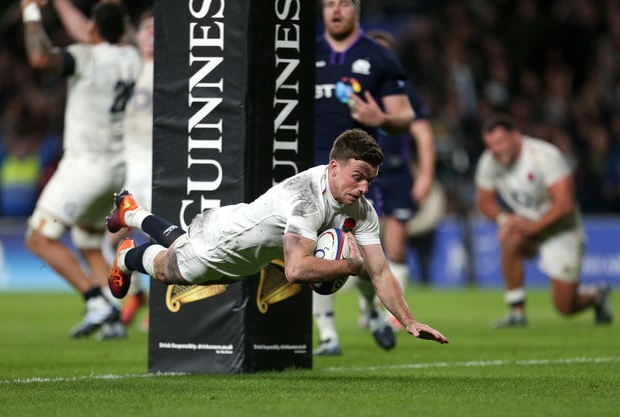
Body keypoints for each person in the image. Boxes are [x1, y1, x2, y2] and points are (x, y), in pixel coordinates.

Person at [107, 129, 450, 347]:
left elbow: (380, 271)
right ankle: (126, 256)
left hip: (244, 252)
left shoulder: (360, 208)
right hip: (225, 240)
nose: (363, 189)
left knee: (183, 246)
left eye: (369, 181)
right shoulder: (306, 200)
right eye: (357, 177)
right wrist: (347, 265)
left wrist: (408, 320)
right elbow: (296, 271)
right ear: (334, 167)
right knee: (172, 270)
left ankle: (131, 212)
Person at [21, 0, 141, 338]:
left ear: (92, 29)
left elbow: (40, 58)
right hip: (116, 170)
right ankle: (115, 314)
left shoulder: (86, 57)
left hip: (84, 167)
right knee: (88, 240)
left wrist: (30, 12)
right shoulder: (131, 58)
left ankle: (96, 301)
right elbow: (109, 32)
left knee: (39, 239)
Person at [313, 0, 416, 355]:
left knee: (359, 256)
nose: (335, 9)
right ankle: (327, 335)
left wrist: (380, 117)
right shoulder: (303, 54)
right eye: (328, 3)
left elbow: (405, 116)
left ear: (356, 9)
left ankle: (371, 309)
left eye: (343, 3)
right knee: (315, 248)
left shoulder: (378, 57)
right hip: (314, 171)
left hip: (358, 178)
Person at [51, 1, 155, 329]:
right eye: (146, 28)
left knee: (158, 235)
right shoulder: (130, 64)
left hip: (158, 169)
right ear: (133, 34)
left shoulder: (168, 71)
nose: (152, 34)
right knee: (109, 239)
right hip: (125, 168)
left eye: (157, 29)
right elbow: (91, 35)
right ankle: (127, 298)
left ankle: (155, 305)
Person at [474, 114, 613, 328]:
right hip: (527, 225)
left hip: (562, 230)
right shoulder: (488, 162)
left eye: (500, 142)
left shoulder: (544, 156)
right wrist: (505, 219)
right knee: (510, 237)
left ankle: (597, 296)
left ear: (515, 136)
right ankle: (516, 312)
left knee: (565, 307)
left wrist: (530, 228)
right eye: (491, 145)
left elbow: (565, 204)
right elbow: (484, 201)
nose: (496, 150)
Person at [356, 29, 436, 331]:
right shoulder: (352, 88)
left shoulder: (401, 90)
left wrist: (426, 175)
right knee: (362, 244)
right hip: (363, 174)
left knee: (397, 243)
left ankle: (391, 313)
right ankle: (370, 307)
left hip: (397, 171)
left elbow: (423, 133)